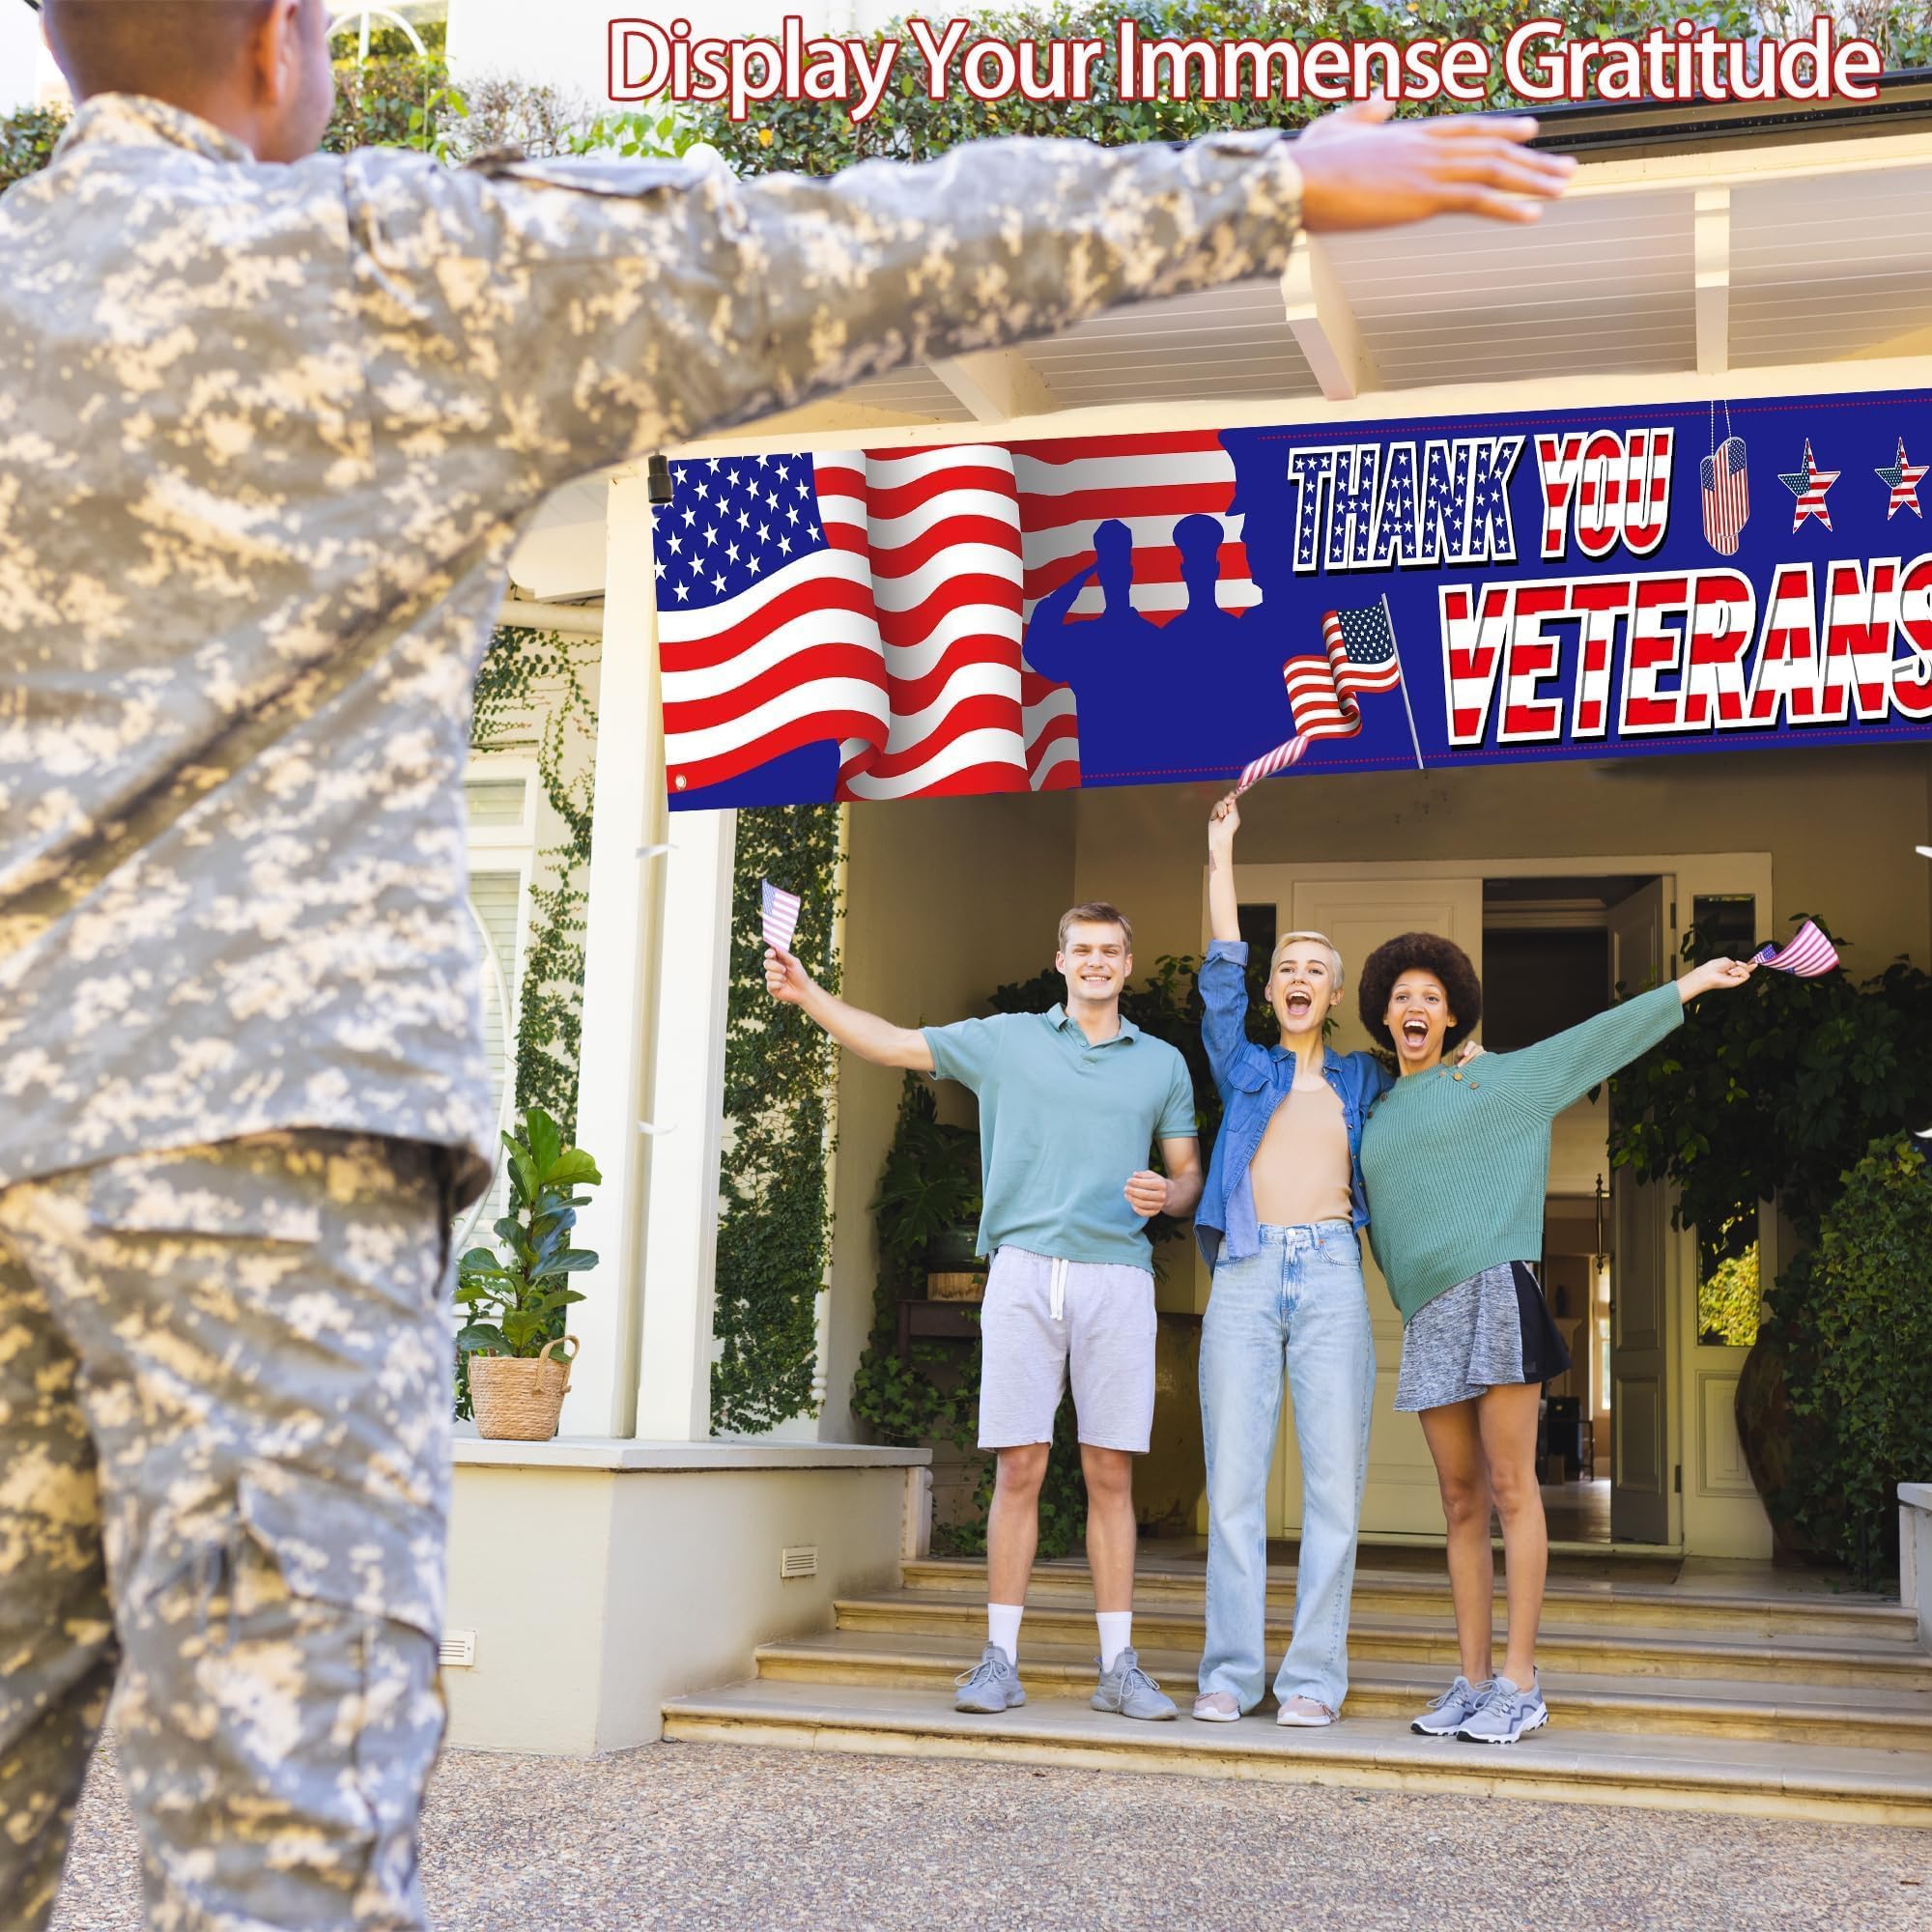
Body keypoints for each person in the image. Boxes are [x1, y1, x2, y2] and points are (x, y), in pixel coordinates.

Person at [0, 0, 1574, 1917]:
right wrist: (1266, 180)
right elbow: (840, 248)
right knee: (271, 1855)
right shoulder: (381, 260)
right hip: (249, 1171)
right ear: (280, 42)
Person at [766, 906, 1203, 1721]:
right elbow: (895, 1044)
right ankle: (999, 1660)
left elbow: (1188, 1175)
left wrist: (1168, 1194)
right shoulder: (1007, 1040)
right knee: (1020, 1466)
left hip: (1117, 1277)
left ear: (1129, 964)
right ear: (1062, 959)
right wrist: (809, 993)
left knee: (1112, 1473)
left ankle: (1119, 1669)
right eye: (1084, 950)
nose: (1097, 962)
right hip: (1023, 1273)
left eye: (1111, 951)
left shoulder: (1163, 1064)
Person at [1355, 931, 1755, 1745]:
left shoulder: (1500, 1079)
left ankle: (1520, 1681)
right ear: (1384, 1017)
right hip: (1430, 1315)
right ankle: (1470, 1681)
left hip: (1499, 1291)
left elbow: (1594, 1041)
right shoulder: (1376, 1110)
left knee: (1511, 1489)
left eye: (1430, 997)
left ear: (1454, 1012)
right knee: (1459, 1502)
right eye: (1402, 998)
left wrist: (1690, 986)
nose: (1415, 1008)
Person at [1190, 793, 1475, 1726]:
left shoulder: (1362, 1077)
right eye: (1289, 968)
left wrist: (1469, 1056)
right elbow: (1220, 970)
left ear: (1334, 990)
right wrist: (1221, 852)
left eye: (1317, 968)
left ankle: (1312, 1679)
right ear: (1274, 992)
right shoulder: (1244, 1064)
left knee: (1331, 1493)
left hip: (1329, 1278)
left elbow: (1426, 1066)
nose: (1299, 976)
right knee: (1232, 1486)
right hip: (1243, 1271)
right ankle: (1230, 1675)